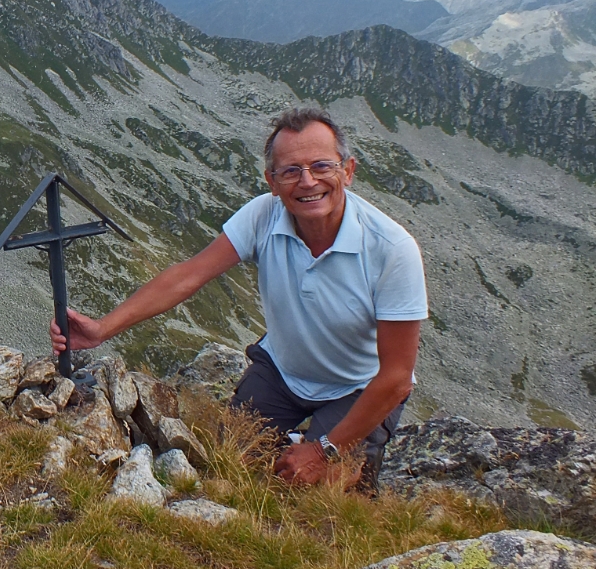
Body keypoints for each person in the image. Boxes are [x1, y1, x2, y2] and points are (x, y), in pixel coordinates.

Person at [51, 107, 427, 489]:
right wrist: (101, 330)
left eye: (321, 166)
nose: (308, 181)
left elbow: (396, 378)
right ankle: (298, 441)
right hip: (284, 372)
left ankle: (332, 455)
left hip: (359, 387)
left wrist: (323, 450)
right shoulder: (264, 215)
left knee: (316, 489)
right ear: (272, 181)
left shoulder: (391, 249)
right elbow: (186, 277)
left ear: (347, 170)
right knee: (228, 460)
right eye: (291, 171)